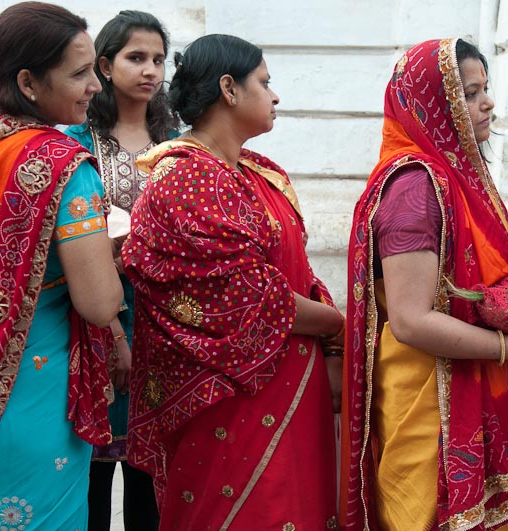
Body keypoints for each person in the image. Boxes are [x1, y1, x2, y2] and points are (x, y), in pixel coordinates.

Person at [341, 38, 508, 531]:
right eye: (469, 93)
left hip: (478, 385)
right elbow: (410, 319)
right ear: (431, 107)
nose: (487, 102)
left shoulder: (459, 180)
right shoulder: (415, 190)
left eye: (485, 89)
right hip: (431, 405)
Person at [121, 34, 343, 530]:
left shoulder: (261, 172)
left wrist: (331, 347)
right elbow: (248, 300)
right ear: (229, 89)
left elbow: (299, 275)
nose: (275, 95)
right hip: (232, 394)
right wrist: (336, 324)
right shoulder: (187, 177)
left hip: (293, 381)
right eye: (264, 82)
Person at [0, 3, 123, 530]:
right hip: (33, 393)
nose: (95, 84)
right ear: (27, 81)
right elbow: (100, 302)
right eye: (78, 73)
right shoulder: (63, 166)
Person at [65, 10, 178, 531]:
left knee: (150, 474)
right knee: (88, 476)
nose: (150, 70)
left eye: (158, 59)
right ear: (105, 66)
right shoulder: (74, 143)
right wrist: (109, 326)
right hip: (89, 319)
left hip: (165, 324)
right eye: (136, 58)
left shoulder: (178, 144)